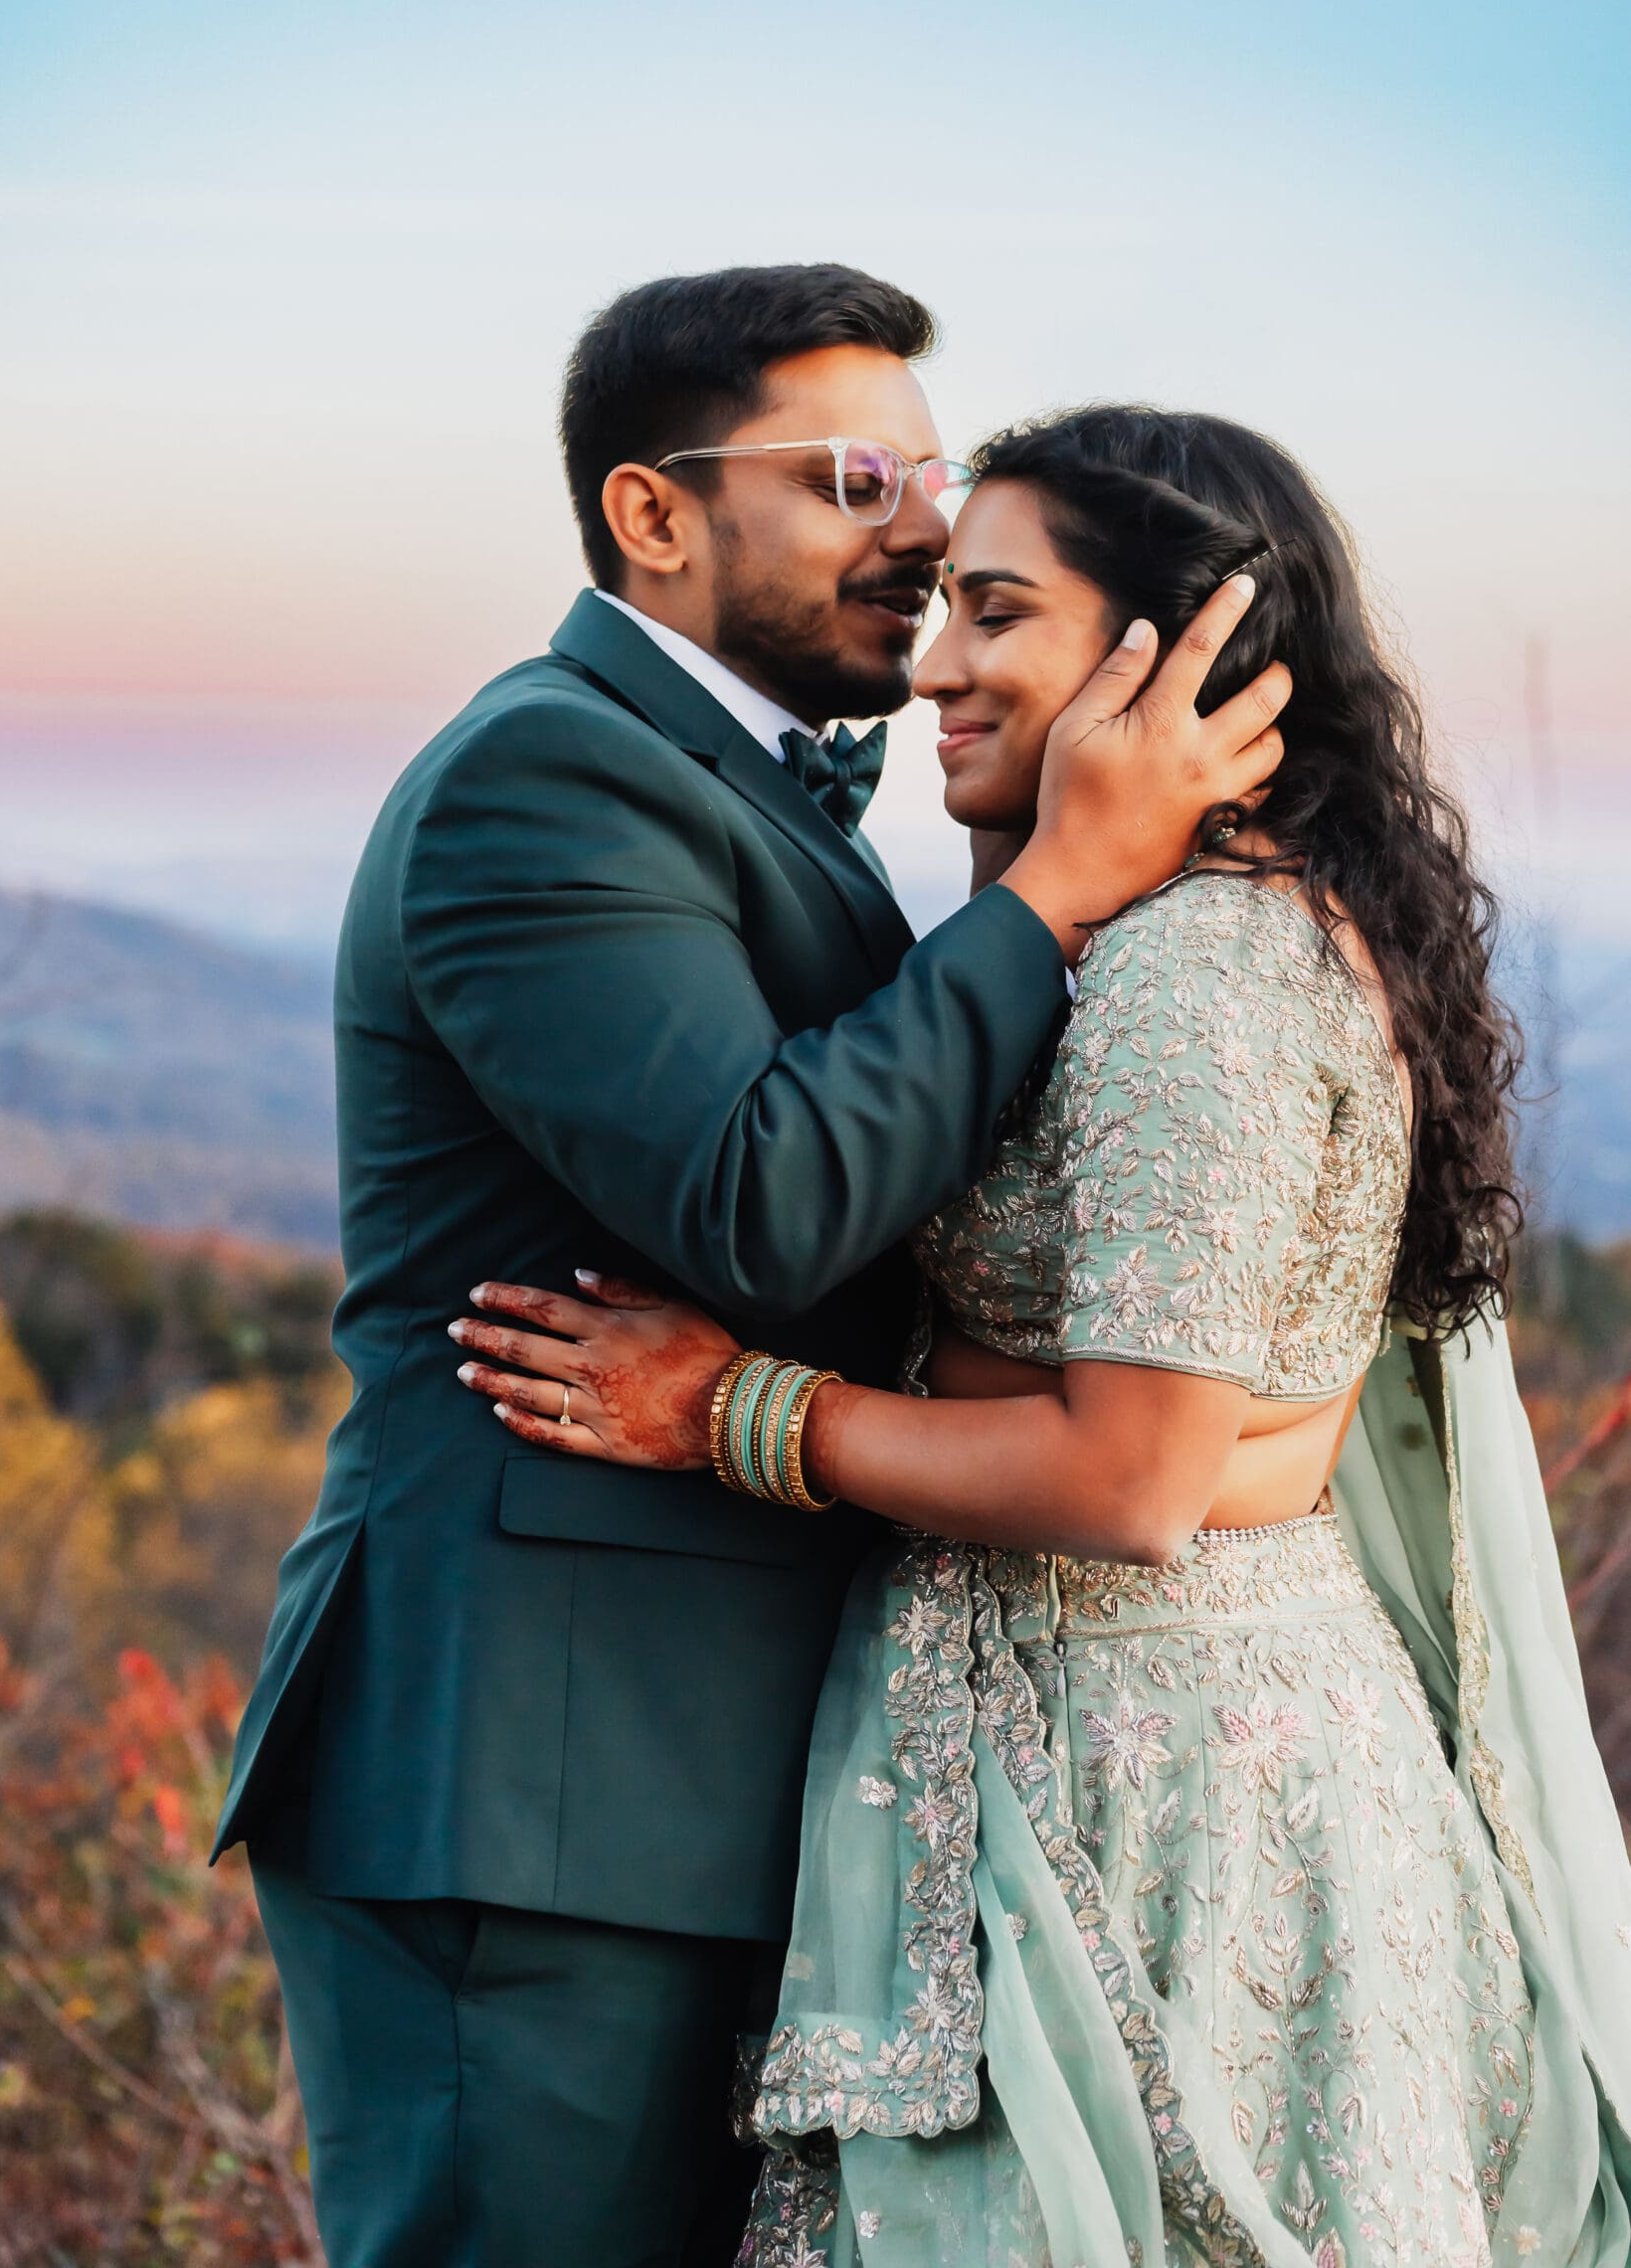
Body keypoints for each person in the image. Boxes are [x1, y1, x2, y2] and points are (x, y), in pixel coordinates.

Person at [455, 405, 1631, 2266]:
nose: (935, 665)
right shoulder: (1159, 939)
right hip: (1129, 1719)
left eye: (996, 615)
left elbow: (1134, 1474)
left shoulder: (1195, 978)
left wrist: (732, 1410)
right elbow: (1266, 1427)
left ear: (1177, 650)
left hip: (1167, 1789)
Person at [210, 271, 1289, 2268]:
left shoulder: (746, 791)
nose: (919, 528)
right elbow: (763, 1193)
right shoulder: (541, 776)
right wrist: (1060, 883)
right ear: (652, 514)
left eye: (933, 478)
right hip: (529, 1788)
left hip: (705, 1778)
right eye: (855, 476)